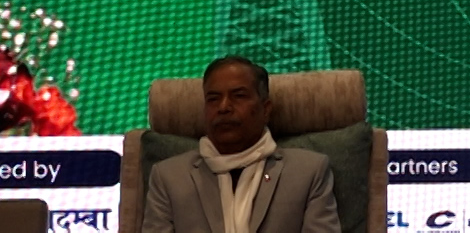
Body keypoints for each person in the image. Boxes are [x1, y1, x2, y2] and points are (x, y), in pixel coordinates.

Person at [142, 56, 341, 233]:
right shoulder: (169, 178)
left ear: (265, 109)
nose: (223, 107)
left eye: (238, 96)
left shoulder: (308, 172)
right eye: (213, 99)